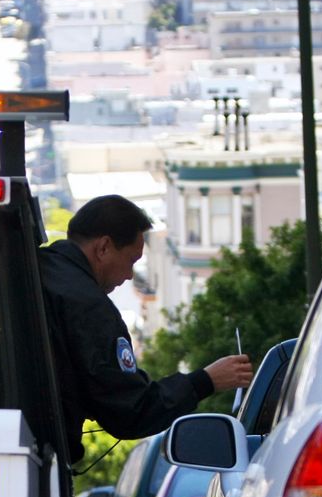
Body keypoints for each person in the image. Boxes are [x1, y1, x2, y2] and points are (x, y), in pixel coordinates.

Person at [38, 195, 254, 465]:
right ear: (104, 247)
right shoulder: (89, 308)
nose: (129, 275)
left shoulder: (35, 270)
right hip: (42, 459)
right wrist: (205, 381)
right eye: (130, 260)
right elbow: (131, 411)